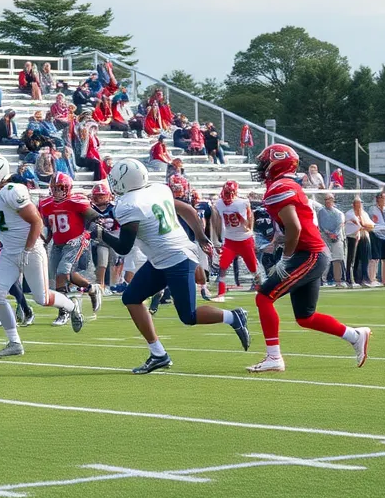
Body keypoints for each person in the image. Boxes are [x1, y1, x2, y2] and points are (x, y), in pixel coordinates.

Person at [93, 159, 249, 373]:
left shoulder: (129, 204)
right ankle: (158, 354)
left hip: (177, 259)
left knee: (188, 316)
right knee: (131, 297)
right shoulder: (158, 189)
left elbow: (124, 247)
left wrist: (101, 234)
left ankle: (234, 316)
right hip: (164, 258)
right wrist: (200, 237)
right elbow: (187, 210)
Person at [244, 145, 370, 373]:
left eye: (265, 162)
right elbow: (295, 225)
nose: (261, 167)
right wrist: (280, 241)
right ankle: (355, 335)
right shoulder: (287, 185)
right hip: (314, 253)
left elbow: (295, 227)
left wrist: (286, 259)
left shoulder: (280, 188)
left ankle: (274, 357)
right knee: (305, 317)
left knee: (264, 297)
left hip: (308, 254)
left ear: (277, 164)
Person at [0, 155, 83, 359]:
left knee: (42, 298)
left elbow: (36, 221)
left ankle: (71, 305)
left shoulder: (12, 192)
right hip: (8, 251)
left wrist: (27, 249)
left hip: (31, 249)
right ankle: (14, 342)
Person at [38, 173, 103, 321]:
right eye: (54, 188)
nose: (57, 191)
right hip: (58, 243)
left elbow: (95, 218)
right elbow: (50, 225)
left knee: (62, 273)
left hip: (74, 241)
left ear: (68, 188)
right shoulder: (46, 204)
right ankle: (91, 288)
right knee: (61, 274)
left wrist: (87, 233)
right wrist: (47, 239)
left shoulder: (76, 201)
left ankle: (64, 312)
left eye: (60, 188)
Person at [210, 180, 258, 299]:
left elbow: (250, 215)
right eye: (226, 192)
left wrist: (250, 229)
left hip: (245, 239)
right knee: (223, 266)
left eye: (230, 193)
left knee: (253, 267)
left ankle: (261, 289)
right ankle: (221, 294)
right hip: (230, 240)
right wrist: (217, 240)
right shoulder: (219, 203)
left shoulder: (242, 202)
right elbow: (216, 221)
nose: (228, 196)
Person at [316, 192, 346, 287]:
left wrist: (335, 234)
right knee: (325, 258)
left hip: (337, 238)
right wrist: (329, 234)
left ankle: (338, 281)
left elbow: (340, 225)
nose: (327, 201)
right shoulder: (321, 212)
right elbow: (322, 225)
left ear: (333, 200)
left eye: (329, 199)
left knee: (338, 259)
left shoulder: (338, 213)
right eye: (326, 199)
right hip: (325, 237)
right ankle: (323, 280)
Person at [344, 198, 374, 288]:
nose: (360, 205)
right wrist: (363, 225)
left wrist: (363, 225)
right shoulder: (349, 214)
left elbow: (371, 226)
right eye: (358, 203)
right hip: (352, 237)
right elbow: (359, 225)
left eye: (360, 203)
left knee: (365, 258)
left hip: (364, 236)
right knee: (352, 259)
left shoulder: (364, 214)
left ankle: (364, 279)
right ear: (353, 204)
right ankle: (350, 279)